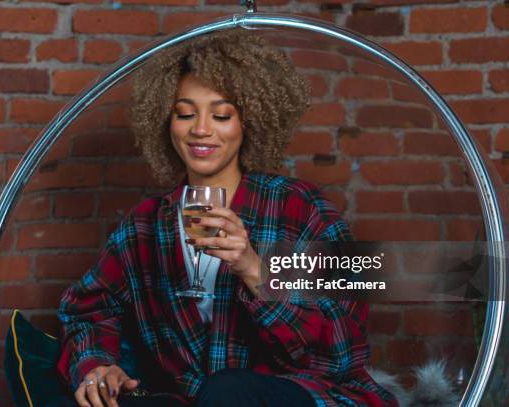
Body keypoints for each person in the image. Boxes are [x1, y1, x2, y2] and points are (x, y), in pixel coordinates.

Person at [57, 29, 397, 407]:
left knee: (229, 390)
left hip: (299, 395)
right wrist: (99, 365)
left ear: (249, 121)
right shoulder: (145, 226)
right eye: (185, 113)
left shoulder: (301, 207)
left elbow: (345, 346)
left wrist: (255, 270)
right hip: (196, 399)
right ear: (165, 122)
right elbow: (88, 308)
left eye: (221, 115)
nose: (201, 129)